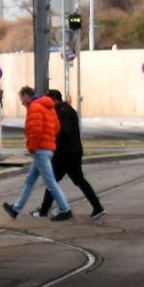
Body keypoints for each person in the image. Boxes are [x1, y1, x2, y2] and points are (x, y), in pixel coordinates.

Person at [5, 85, 72, 221]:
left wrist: (32, 147)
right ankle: (16, 209)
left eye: (21, 98)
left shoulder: (35, 108)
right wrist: (48, 140)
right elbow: (57, 128)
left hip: (40, 150)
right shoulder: (49, 107)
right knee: (30, 181)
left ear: (26, 95)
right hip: (47, 148)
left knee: (50, 182)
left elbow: (35, 131)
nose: (21, 102)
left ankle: (65, 209)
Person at [46, 89, 105, 218]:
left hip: (66, 153)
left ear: (55, 99)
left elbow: (64, 131)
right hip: (71, 151)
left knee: (52, 180)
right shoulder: (65, 109)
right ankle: (97, 206)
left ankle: (46, 210)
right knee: (77, 180)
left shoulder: (62, 111)